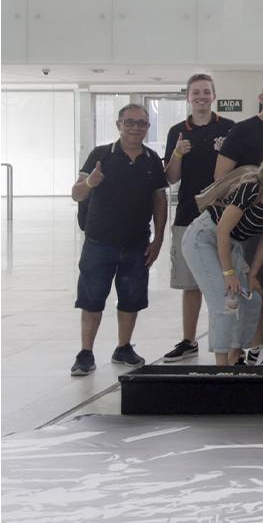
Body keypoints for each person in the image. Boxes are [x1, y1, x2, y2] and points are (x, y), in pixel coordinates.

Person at [181, 143, 263, 365]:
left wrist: (252, 275)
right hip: (204, 237)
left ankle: (235, 355)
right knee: (226, 302)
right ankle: (222, 368)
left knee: (252, 299)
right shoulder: (252, 188)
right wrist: (228, 273)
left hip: (232, 244)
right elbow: (222, 229)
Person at [70, 103, 169, 376]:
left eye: (141, 123)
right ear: (119, 125)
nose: (135, 128)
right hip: (99, 243)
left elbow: (159, 200)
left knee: (131, 299)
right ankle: (85, 353)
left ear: (148, 127)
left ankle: (123, 348)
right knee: (91, 299)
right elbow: (77, 194)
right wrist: (90, 182)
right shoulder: (100, 155)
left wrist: (159, 238)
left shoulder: (152, 159)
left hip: (137, 244)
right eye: (129, 122)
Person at [160, 73, 234, 363]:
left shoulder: (229, 128)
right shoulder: (177, 131)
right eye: (196, 92)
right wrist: (177, 154)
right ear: (188, 97)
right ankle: (189, 341)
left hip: (225, 216)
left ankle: (233, 345)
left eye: (206, 92)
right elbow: (171, 178)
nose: (201, 96)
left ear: (214, 96)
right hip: (188, 215)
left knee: (230, 280)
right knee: (190, 285)